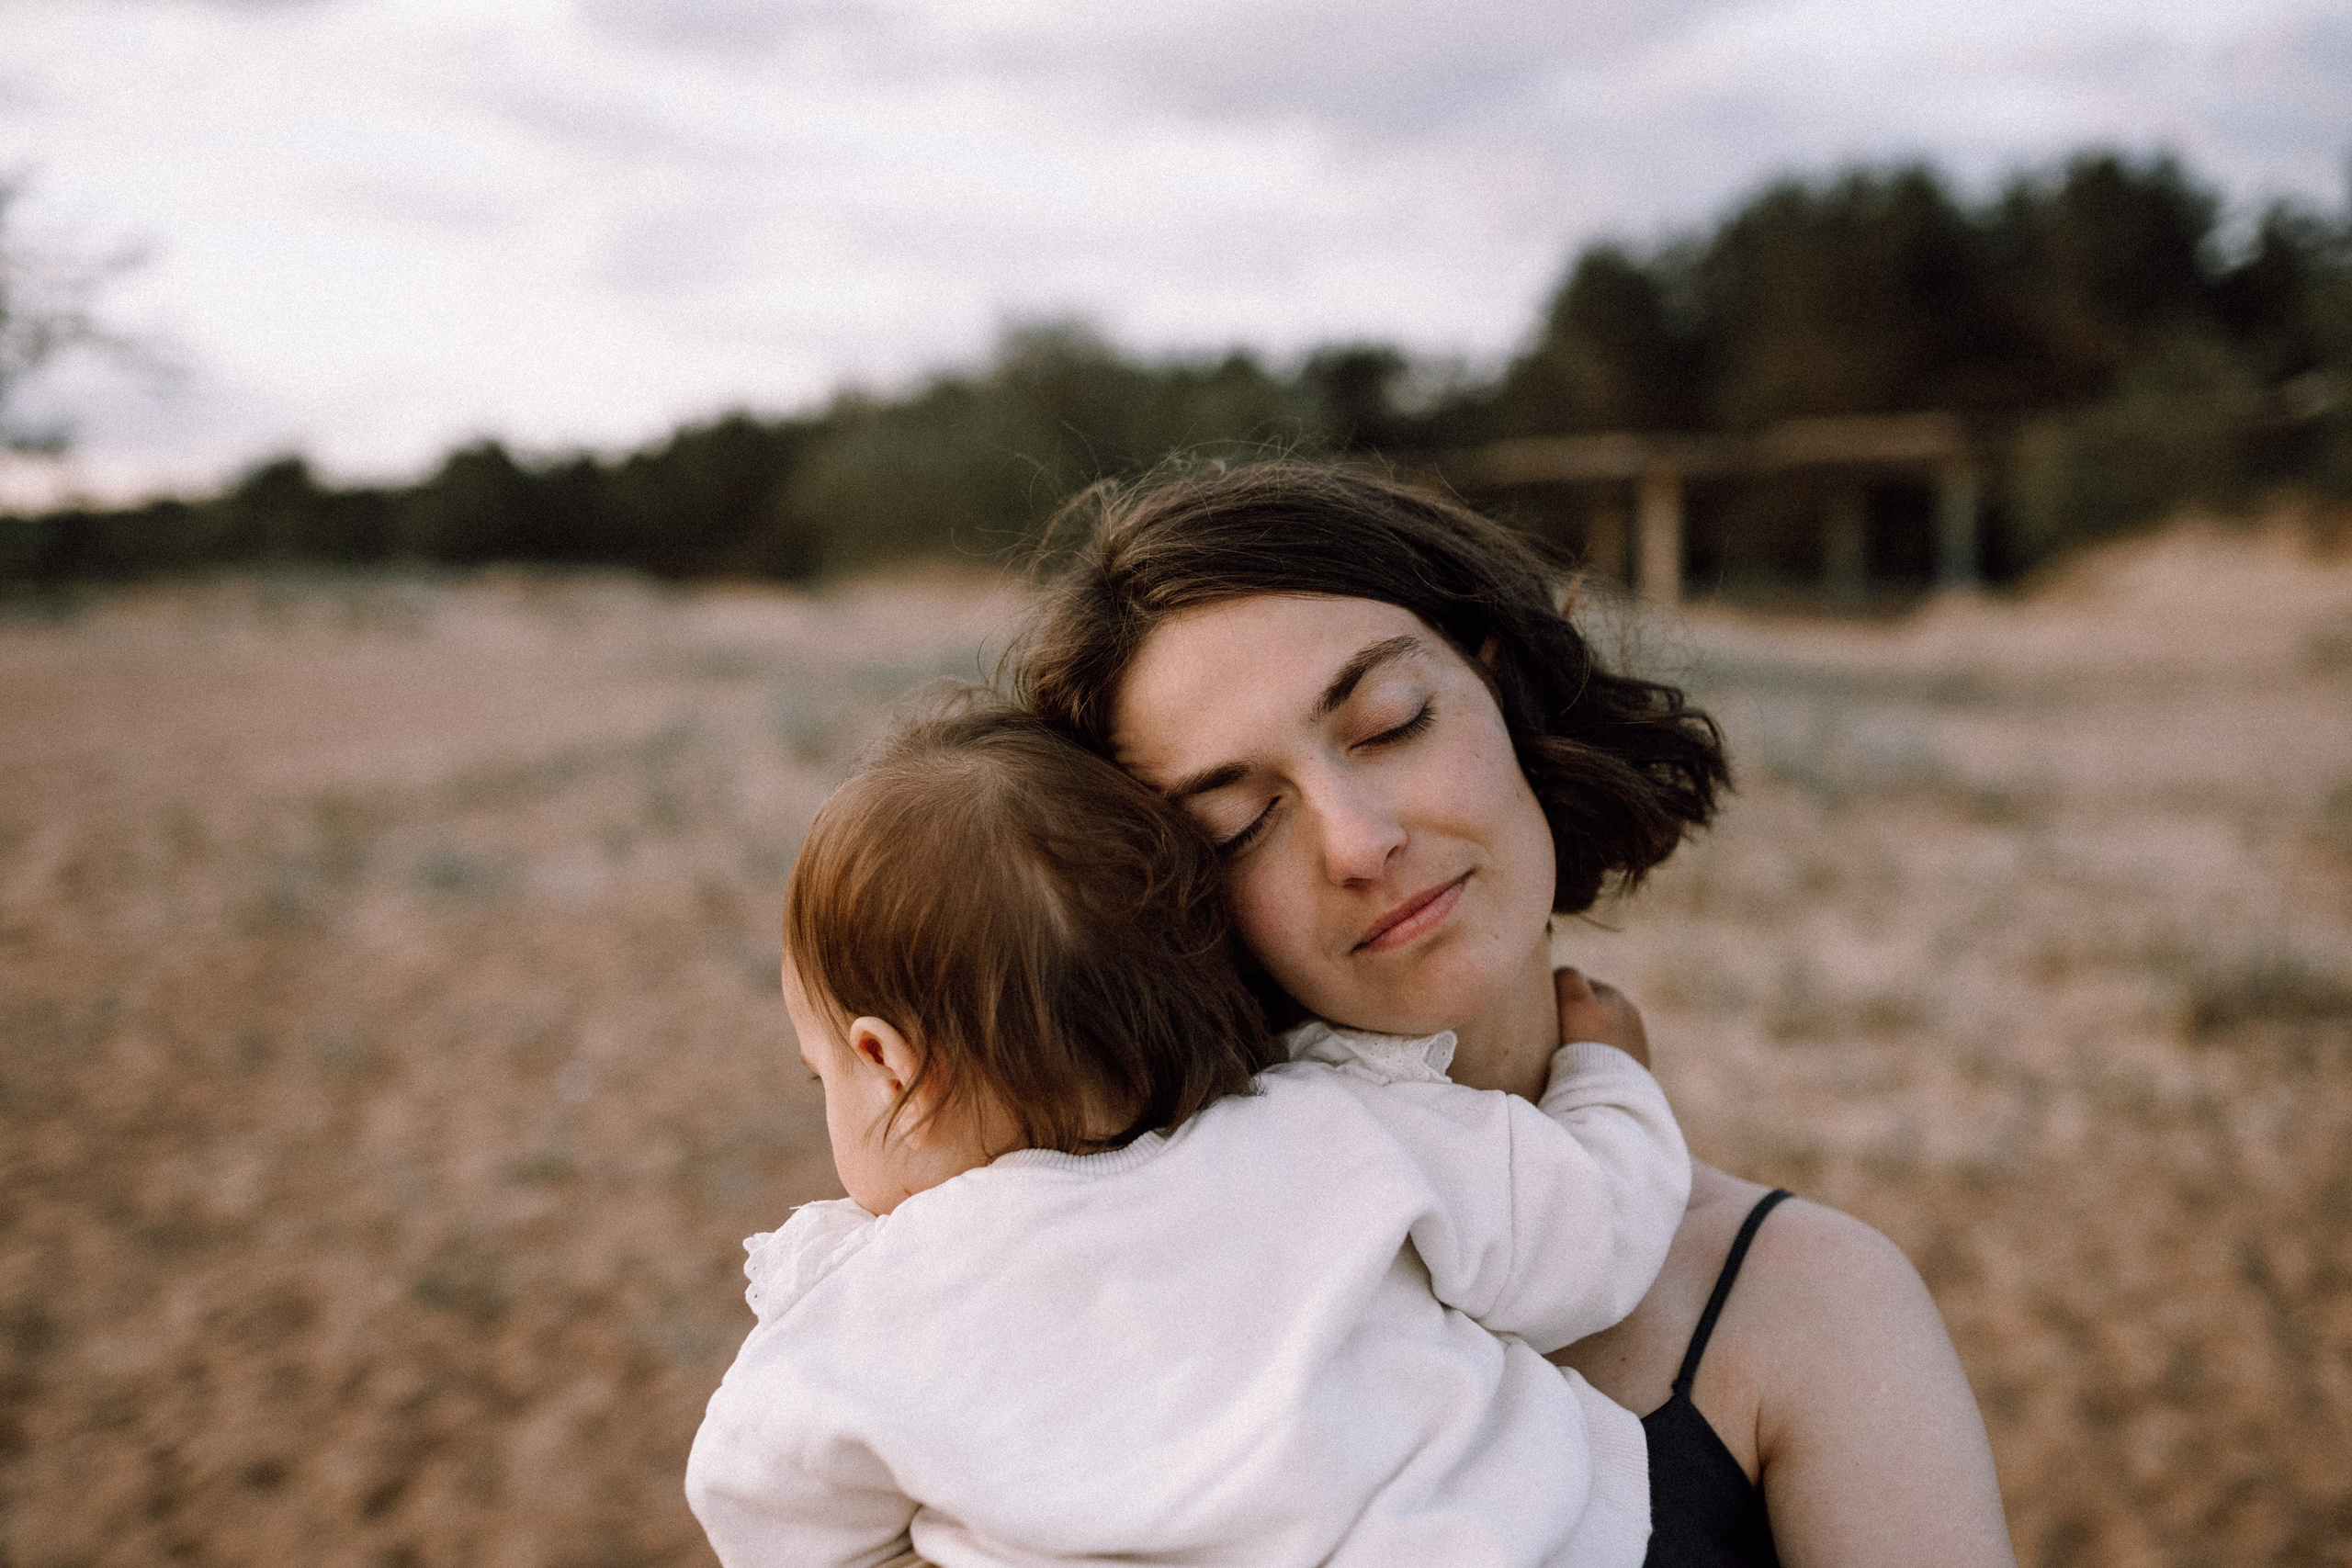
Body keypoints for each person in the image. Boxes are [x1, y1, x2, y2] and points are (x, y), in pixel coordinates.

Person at [1014, 458, 2018, 1568]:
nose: (1357, 843)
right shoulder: (1080, 1270)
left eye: (1389, 723)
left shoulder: (1811, 1304)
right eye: (1241, 822)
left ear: (1500, 686)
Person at [685, 702, 1694, 1567]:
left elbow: (766, 1515)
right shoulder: (1340, 1130)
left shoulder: (857, 1315)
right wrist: (1606, 1075)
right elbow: (1588, 1237)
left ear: (887, 1061)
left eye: (821, 1078)